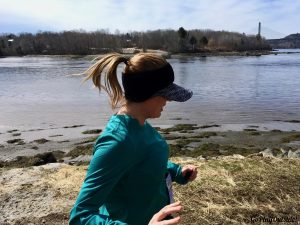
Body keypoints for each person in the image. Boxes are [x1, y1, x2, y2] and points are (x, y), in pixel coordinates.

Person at [69, 53, 198, 225]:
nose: (168, 100)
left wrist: (176, 172)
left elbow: (141, 163)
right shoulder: (117, 142)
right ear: (147, 94)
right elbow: (80, 217)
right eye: (165, 94)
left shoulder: (140, 124)